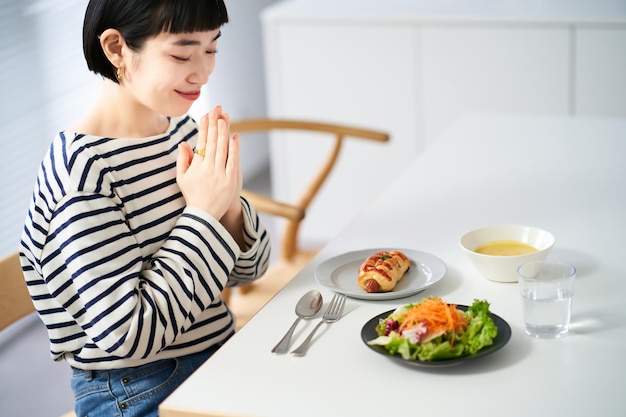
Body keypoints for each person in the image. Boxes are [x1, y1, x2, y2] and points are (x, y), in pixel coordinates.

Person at [18, 1, 270, 416]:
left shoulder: (182, 129)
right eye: (181, 54)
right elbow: (129, 337)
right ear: (117, 48)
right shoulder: (81, 172)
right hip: (136, 389)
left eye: (211, 49)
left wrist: (227, 207)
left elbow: (250, 270)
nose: (203, 73)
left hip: (221, 355)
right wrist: (203, 213)